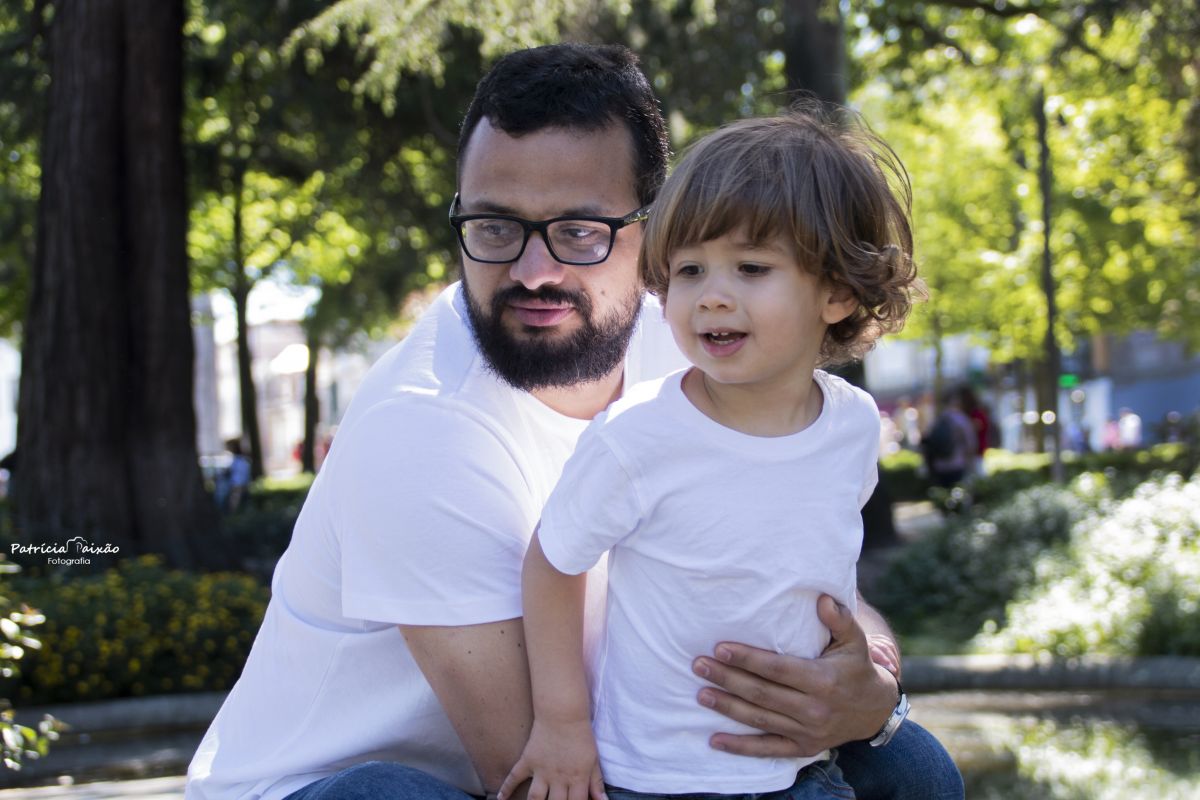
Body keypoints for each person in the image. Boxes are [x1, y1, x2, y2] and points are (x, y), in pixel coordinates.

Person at [187, 44, 962, 800]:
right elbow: (529, 774)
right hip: (373, 782)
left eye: (580, 232)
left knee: (909, 766)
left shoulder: (703, 341)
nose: (533, 271)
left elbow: (790, 549)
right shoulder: (422, 432)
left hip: (630, 730)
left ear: (652, 233)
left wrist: (868, 683)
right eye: (494, 227)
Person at [498, 110, 923, 800]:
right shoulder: (638, 439)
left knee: (927, 773)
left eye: (752, 267)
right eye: (689, 269)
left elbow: (813, 562)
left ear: (838, 292)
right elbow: (551, 564)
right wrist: (562, 721)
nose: (711, 296)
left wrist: (868, 651)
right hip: (660, 779)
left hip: (804, 768)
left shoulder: (849, 425)